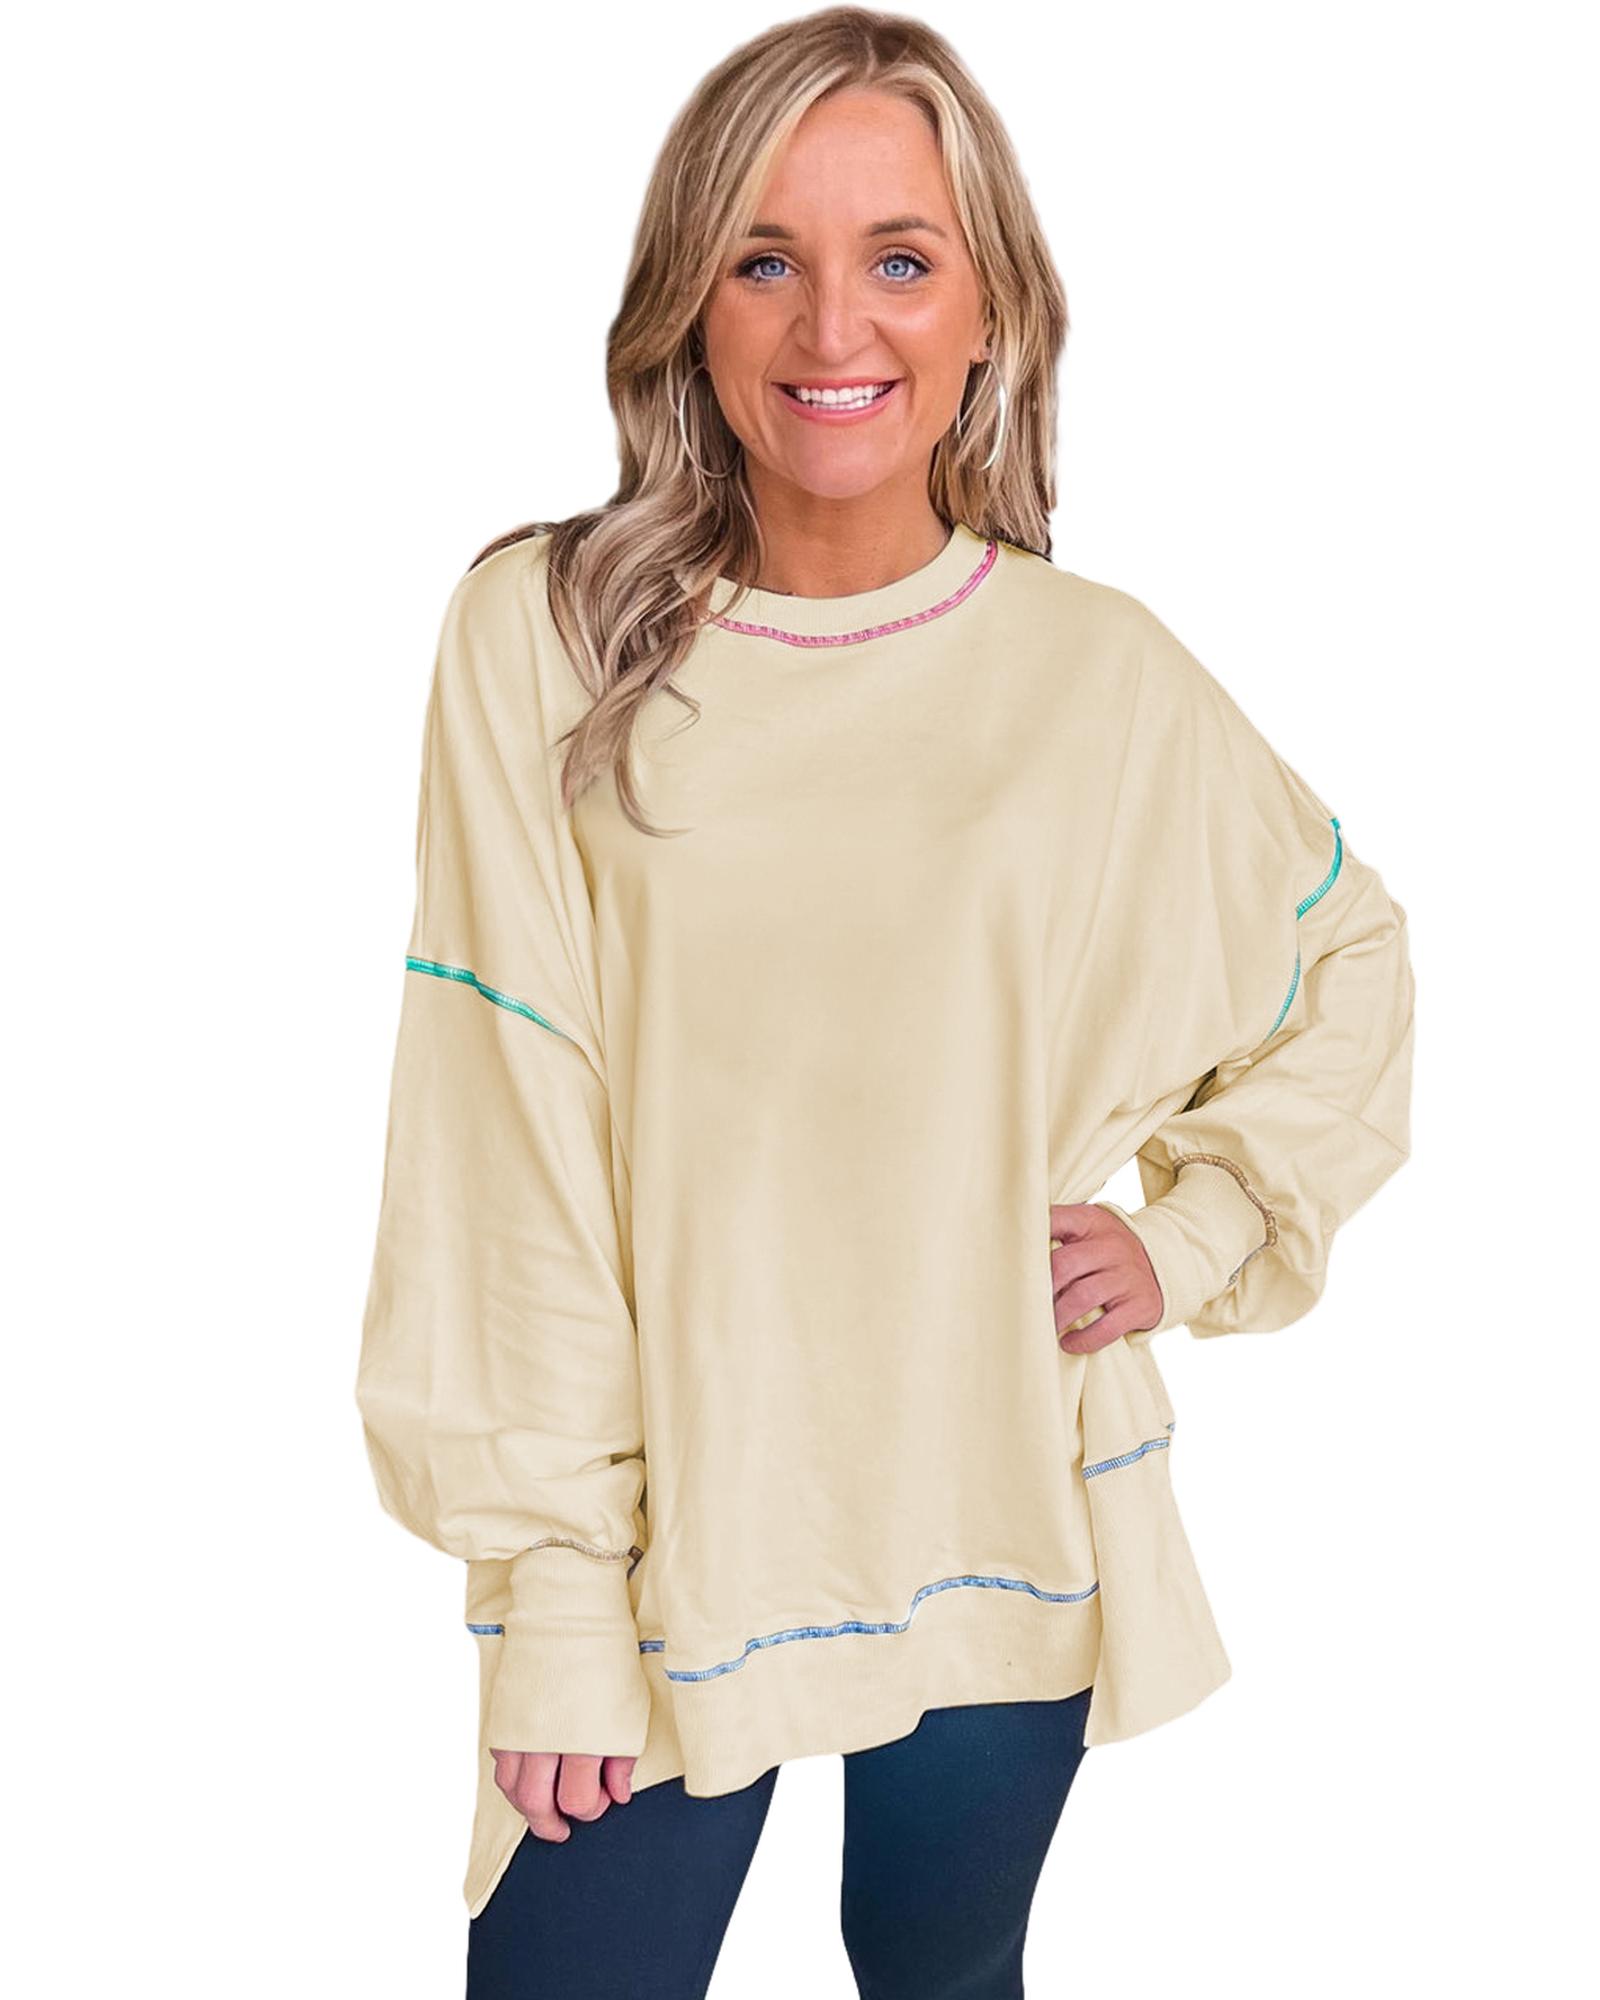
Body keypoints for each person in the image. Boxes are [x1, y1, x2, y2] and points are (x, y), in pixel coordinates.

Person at [354, 10, 1416, 1995]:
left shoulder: (1097, 674)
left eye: (899, 258)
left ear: (989, 306)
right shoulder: (547, 638)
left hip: (995, 1500)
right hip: (668, 1543)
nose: (830, 325)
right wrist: (558, 1590)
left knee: (938, 1977)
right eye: (764, 256)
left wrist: (1188, 1233)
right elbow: (500, 1151)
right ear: (690, 301)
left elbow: (1344, 956)